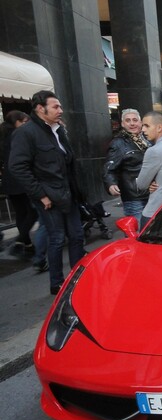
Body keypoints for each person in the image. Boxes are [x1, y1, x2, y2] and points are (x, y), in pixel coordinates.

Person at [9, 90, 85, 295]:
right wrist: (40, 194)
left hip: (68, 195)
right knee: (57, 239)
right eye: (56, 107)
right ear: (40, 109)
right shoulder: (26, 133)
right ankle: (57, 284)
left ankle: (79, 278)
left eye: (60, 106)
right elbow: (17, 167)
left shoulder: (58, 130)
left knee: (77, 236)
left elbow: (67, 163)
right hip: (49, 198)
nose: (60, 110)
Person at [102, 108, 150, 225]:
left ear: (140, 122)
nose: (132, 123)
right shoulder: (118, 143)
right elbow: (109, 167)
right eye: (128, 120)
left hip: (152, 193)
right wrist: (111, 183)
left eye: (135, 120)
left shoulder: (148, 140)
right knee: (136, 231)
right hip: (133, 196)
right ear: (123, 124)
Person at [1, 110, 38, 260]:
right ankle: (19, 241)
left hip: (9, 180)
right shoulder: (18, 136)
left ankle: (27, 245)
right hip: (21, 179)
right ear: (16, 122)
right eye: (23, 122)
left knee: (21, 213)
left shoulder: (3, 137)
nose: (26, 124)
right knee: (33, 212)